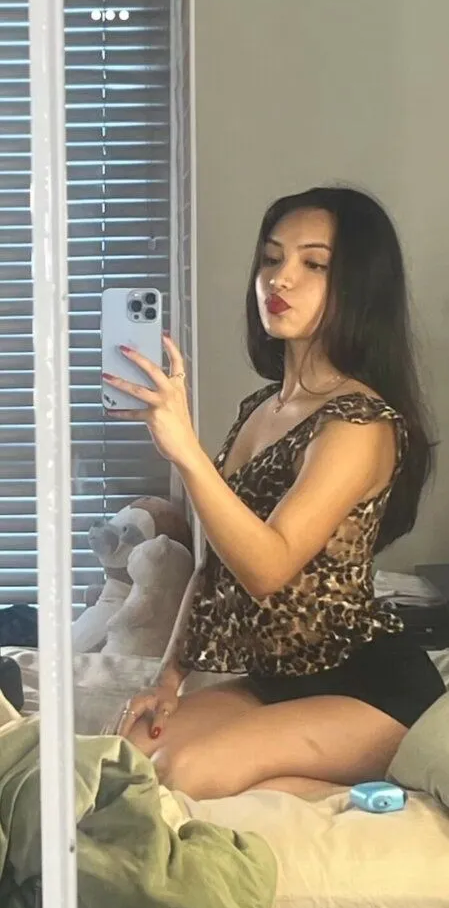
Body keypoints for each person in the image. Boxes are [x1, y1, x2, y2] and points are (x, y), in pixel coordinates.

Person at [103, 186, 444, 801]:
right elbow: (216, 564)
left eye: (314, 264)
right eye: (271, 258)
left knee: (188, 774)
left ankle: (386, 793)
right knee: (130, 757)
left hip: (368, 684)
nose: (279, 278)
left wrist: (185, 450)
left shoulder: (360, 422)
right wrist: (168, 678)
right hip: (277, 678)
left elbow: (267, 568)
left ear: (359, 285)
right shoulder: (262, 406)